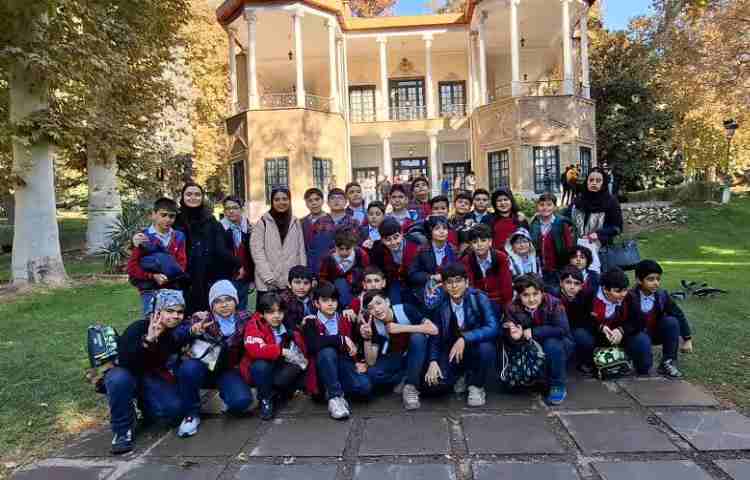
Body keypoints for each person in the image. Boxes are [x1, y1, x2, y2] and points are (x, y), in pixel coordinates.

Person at [104, 290, 188, 454]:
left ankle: (146, 405)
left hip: (149, 377)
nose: (175, 316)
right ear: (157, 311)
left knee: (174, 411)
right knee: (118, 379)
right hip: (127, 374)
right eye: (170, 311)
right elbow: (126, 361)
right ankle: (122, 431)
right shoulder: (137, 328)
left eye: (179, 312)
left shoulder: (170, 335)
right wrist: (148, 340)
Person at [175, 281, 255, 437]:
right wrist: (191, 331)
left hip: (228, 370)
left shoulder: (245, 318)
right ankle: (191, 414)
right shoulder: (202, 319)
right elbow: (177, 334)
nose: (224, 305)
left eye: (228, 299)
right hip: (203, 368)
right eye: (218, 301)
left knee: (242, 401)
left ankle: (229, 396)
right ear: (212, 305)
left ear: (236, 301)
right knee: (188, 368)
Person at [424, 263, 499, 407]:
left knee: (486, 348)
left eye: (458, 281)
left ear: (466, 282)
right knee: (434, 386)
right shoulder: (441, 303)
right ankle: (461, 376)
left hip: (475, 347)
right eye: (449, 282)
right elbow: (436, 335)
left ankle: (476, 386)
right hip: (451, 350)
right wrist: (433, 360)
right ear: (444, 286)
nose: (454, 286)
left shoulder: (478, 297)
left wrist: (465, 338)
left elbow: (493, 327)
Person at [357, 289, 438, 410]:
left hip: (418, 354)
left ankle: (411, 386)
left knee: (418, 337)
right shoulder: (373, 323)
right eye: (371, 308)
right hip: (397, 357)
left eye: (379, 303)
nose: (377, 309)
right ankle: (404, 377)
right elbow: (371, 361)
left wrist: (400, 328)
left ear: (387, 302)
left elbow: (433, 329)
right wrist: (367, 339)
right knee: (372, 374)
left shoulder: (405, 309)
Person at [301, 281, 372, 419]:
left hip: (344, 363)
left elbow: (356, 341)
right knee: (327, 351)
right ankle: (335, 397)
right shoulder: (311, 321)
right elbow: (312, 345)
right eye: (325, 300)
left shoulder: (345, 317)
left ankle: (336, 389)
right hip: (322, 367)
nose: (330, 304)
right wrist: (341, 339)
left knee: (364, 388)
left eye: (333, 300)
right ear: (316, 304)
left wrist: (361, 360)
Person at [503, 274, 574, 405]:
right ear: (518, 295)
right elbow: (508, 335)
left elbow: (562, 329)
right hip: (529, 346)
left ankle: (558, 384)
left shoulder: (554, 303)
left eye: (535, 294)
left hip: (559, 344)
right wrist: (515, 337)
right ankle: (536, 378)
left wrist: (533, 332)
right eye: (526, 295)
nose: (531, 299)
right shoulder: (511, 307)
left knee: (551, 344)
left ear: (542, 292)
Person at [169, 183, 238, 315]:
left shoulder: (210, 220)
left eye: (197, 194)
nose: (193, 197)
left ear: (202, 197)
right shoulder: (175, 220)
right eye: (189, 194)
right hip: (182, 278)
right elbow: (159, 233)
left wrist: (236, 264)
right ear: (183, 197)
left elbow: (221, 248)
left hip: (207, 278)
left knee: (207, 316)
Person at [240, 292, 308, 420]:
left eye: (280, 312)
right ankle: (265, 399)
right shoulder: (254, 325)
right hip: (260, 368)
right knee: (260, 366)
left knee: (300, 368)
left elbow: (300, 346)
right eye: (271, 312)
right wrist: (281, 351)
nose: (276, 316)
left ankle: (279, 392)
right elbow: (255, 350)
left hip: (280, 364)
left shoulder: (286, 323)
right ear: (261, 314)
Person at [583, 268, 652, 375]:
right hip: (597, 336)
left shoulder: (631, 297)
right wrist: (601, 327)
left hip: (622, 336)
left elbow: (638, 321)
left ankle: (633, 361)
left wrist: (621, 330)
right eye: (618, 291)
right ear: (605, 289)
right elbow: (583, 320)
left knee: (642, 344)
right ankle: (589, 362)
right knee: (582, 336)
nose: (623, 294)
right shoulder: (590, 296)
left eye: (625, 290)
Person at [626, 260, 688, 378]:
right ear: (639, 280)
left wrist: (687, 339)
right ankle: (631, 357)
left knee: (672, 322)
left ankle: (668, 362)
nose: (656, 283)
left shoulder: (662, 295)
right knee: (644, 369)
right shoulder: (629, 297)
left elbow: (678, 314)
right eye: (651, 279)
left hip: (654, 332)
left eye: (658, 279)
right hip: (636, 335)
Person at [127, 198, 188, 316]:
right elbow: (132, 268)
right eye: (163, 215)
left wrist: (169, 276)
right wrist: (153, 276)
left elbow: (181, 264)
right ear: (153, 215)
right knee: (152, 320)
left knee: (174, 319)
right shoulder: (143, 237)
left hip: (173, 287)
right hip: (150, 290)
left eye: (172, 216)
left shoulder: (179, 236)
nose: (168, 219)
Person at [251, 187, 307, 301]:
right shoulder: (263, 222)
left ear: (289, 200)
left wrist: (302, 275)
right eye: (277, 199)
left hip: (290, 282)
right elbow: (257, 252)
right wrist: (268, 277)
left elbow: (301, 251)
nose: (281, 202)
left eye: (284, 199)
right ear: (272, 202)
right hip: (268, 283)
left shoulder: (295, 222)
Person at [565, 167, 624, 251]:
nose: (594, 183)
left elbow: (617, 227)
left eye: (598, 181)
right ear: (587, 182)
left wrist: (598, 234)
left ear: (603, 183)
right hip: (577, 246)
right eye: (591, 180)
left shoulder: (611, 202)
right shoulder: (578, 200)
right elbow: (566, 218)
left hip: (601, 246)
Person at [528, 193, 576, 292]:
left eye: (549, 205)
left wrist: (568, 267)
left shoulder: (561, 224)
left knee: (556, 293)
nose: (545, 208)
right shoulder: (534, 224)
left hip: (557, 268)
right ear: (537, 207)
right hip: (540, 268)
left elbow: (569, 247)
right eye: (542, 205)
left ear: (554, 207)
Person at [408, 216, 458, 307]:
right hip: (426, 289)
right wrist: (431, 277)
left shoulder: (453, 250)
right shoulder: (422, 250)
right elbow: (413, 274)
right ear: (430, 232)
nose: (442, 231)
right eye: (437, 229)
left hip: (449, 288)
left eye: (444, 228)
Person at [461, 224, 513, 310]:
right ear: (470, 245)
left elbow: (506, 287)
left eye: (483, 240)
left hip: (498, 301)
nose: (479, 245)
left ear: (490, 242)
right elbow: (470, 287)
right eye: (475, 242)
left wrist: (506, 309)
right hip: (478, 302)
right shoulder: (467, 260)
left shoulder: (501, 257)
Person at [371, 218, 421, 305]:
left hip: (414, 280)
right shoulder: (378, 249)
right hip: (393, 282)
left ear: (402, 234)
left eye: (396, 237)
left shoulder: (414, 244)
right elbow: (377, 269)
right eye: (388, 239)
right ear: (382, 240)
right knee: (395, 301)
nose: (393, 242)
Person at [556, 266, 595, 374]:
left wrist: (573, 302)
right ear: (561, 283)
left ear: (582, 286)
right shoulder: (554, 296)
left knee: (585, 338)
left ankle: (584, 361)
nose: (572, 287)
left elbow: (587, 318)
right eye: (568, 282)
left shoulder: (586, 296)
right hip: (557, 329)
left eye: (576, 283)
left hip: (576, 327)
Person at [318, 227, 370, 308]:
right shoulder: (328, 258)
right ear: (335, 246)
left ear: (353, 246)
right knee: (340, 282)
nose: (344, 252)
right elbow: (323, 278)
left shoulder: (361, 254)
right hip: (338, 291)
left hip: (358, 287)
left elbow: (367, 273)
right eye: (341, 249)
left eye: (348, 249)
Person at [220, 196, 255, 311]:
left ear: (241, 209)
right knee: (227, 309)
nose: (231, 211)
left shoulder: (249, 228)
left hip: (245, 278)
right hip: (227, 277)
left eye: (235, 208)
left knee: (242, 310)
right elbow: (220, 253)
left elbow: (252, 254)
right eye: (227, 208)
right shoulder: (219, 229)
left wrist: (252, 277)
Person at [301, 187, 337, 275]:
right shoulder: (302, 222)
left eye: (317, 199)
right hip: (308, 266)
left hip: (327, 267)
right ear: (306, 203)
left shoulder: (332, 220)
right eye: (310, 201)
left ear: (322, 201)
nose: (314, 203)